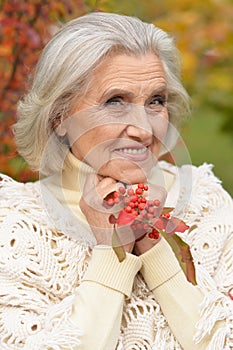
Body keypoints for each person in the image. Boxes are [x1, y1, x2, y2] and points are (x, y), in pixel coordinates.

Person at [0, 12, 232, 350]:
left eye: (155, 101)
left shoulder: (206, 201)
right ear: (60, 116)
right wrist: (113, 253)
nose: (143, 129)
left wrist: (155, 249)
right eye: (115, 102)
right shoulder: (15, 224)